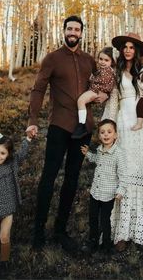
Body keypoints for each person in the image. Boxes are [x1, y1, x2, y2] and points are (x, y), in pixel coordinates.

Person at [26, 15, 108, 252]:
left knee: (72, 180)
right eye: (69, 28)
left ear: (81, 33)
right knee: (48, 177)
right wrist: (33, 120)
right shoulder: (52, 59)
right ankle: (38, 233)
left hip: (83, 130)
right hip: (59, 127)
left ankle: (60, 230)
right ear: (64, 31)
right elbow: (38, 89)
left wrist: (104, 95)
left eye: (77, 29)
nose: (73, 32)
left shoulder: (89, 60)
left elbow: (102, 82)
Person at [102, 33, 143, 250]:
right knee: (126, 171)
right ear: (121, 50)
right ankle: (123, 230)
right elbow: (112, 102)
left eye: (132, 47)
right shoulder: (116, 73)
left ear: (137, 51)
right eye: (125, 47)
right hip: (124, 122)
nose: (128, 50)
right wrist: (107, 127)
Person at [0, 129, 31, 277]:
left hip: (7, 208)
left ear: (8, 154)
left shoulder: (11, 166)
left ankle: (4, 262)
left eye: (2, 153)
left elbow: (22, 154)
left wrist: (27, 140)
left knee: (4, 237)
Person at [80, 119, 126, 254]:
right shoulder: (99, 150)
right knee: (93, 218)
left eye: (109, 132)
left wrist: (120, 190)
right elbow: (96, 160)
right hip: (95, 192)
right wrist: (88, 154)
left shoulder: (118, 153)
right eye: (102, 132)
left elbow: (123, 174)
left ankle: (106, 245)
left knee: (105, 220)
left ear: (115, 135)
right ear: (99, 136)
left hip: (108, 194)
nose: (106, 135)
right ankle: (92, 241)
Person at [72, 47, 116, 140]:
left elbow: (100, 81)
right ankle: (82, 124)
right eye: (100, 59)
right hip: (96, 90)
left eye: (106, 60)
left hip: (96, 91)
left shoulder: (107, 71)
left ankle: (81, 125)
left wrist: (91, 78)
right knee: (82, 101)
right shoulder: (104, 70)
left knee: (81, 101)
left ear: (112, 61)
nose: (102, 62)